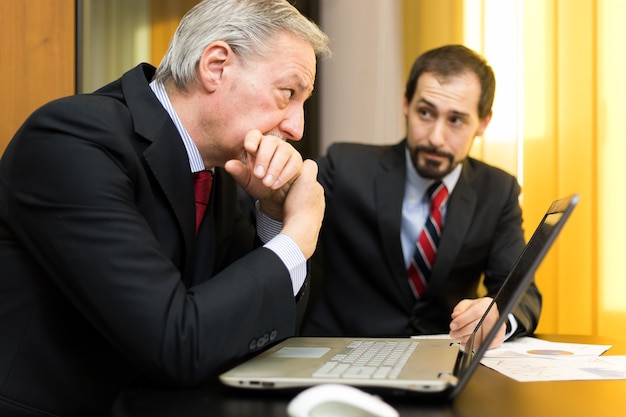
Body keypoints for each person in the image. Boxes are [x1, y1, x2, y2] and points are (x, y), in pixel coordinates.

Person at [0, 1, 330, 416]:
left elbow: (253, 323)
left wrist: (272, 216)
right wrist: (298, 233)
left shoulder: (214, 167)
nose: (297, 127)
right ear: (216, 66)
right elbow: (175, 342)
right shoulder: (73, 140)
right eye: (288, 93)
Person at [301, 45, 541, 349]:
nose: (435, 137)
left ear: (483, 123)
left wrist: (499, 317)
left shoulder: (498, 190)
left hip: (441, 359)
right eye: (425, 113)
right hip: (341, 355)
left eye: (456, 120)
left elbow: (521, 293)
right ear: (406, 104)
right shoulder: (344, 166)